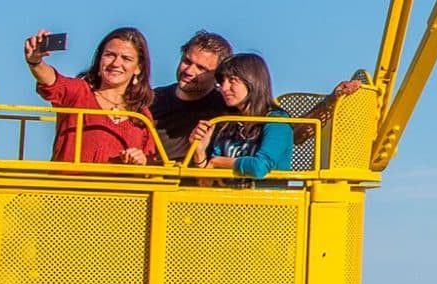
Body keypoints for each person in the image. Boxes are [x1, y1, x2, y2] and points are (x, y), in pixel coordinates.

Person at [25, 28, 157, 165]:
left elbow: (150, 164)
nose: (116, 63)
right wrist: (35, 61)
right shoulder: (79, 93)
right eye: (110, 55)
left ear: (138, 68)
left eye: (126, 58)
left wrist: (141, 161)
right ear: (99, 60)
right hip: (70, 179)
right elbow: (52, 82)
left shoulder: (142, 115)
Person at [188, 52, 293, 180]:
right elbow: (207, 182)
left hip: (265, 193)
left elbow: (260, 167)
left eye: (232, 80)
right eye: (222, 82)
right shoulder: (227, 123)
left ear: (252, 81)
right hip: (226, 193)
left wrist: (218, 161)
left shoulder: (277, 121)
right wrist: (199, 152)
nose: (224, 88)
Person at [146, 29, 234, 159]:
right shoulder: (151, 100)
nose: (189, 71)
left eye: (201, 68)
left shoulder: (227, 108)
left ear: (218, 76)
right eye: (187, 61)